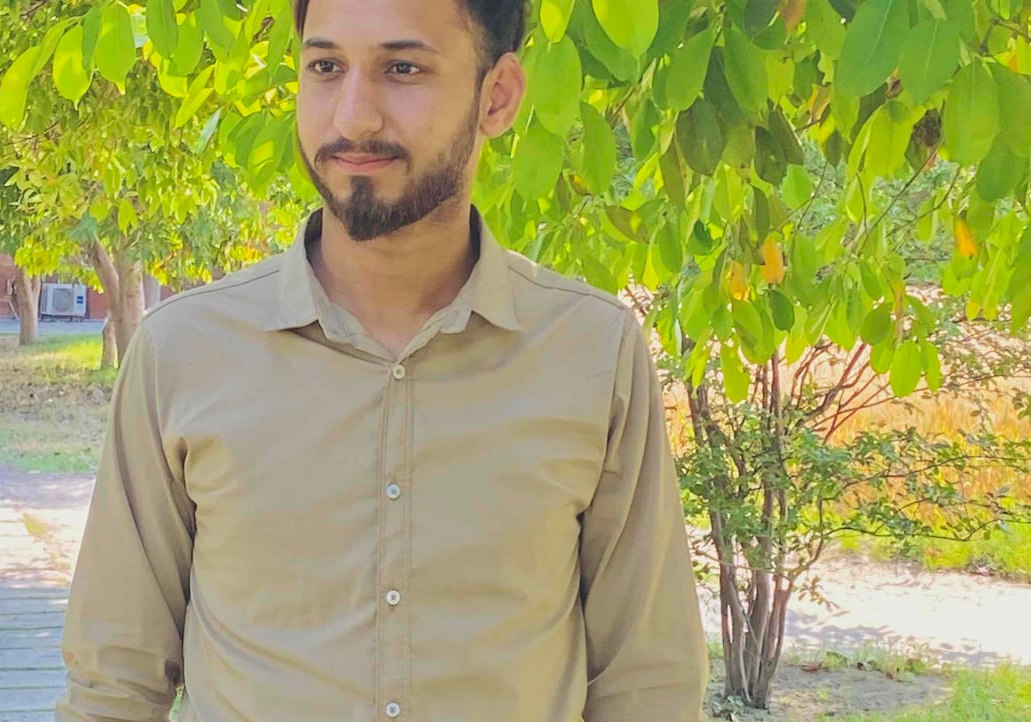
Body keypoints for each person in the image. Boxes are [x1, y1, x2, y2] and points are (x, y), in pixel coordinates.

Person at [58, 0, 708, 719]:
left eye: (402, 68)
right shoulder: (184, 351)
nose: (354, 116)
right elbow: (113, 684)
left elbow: (647, 684)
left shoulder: (590, 352)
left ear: (497, 97)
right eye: (325, 67)